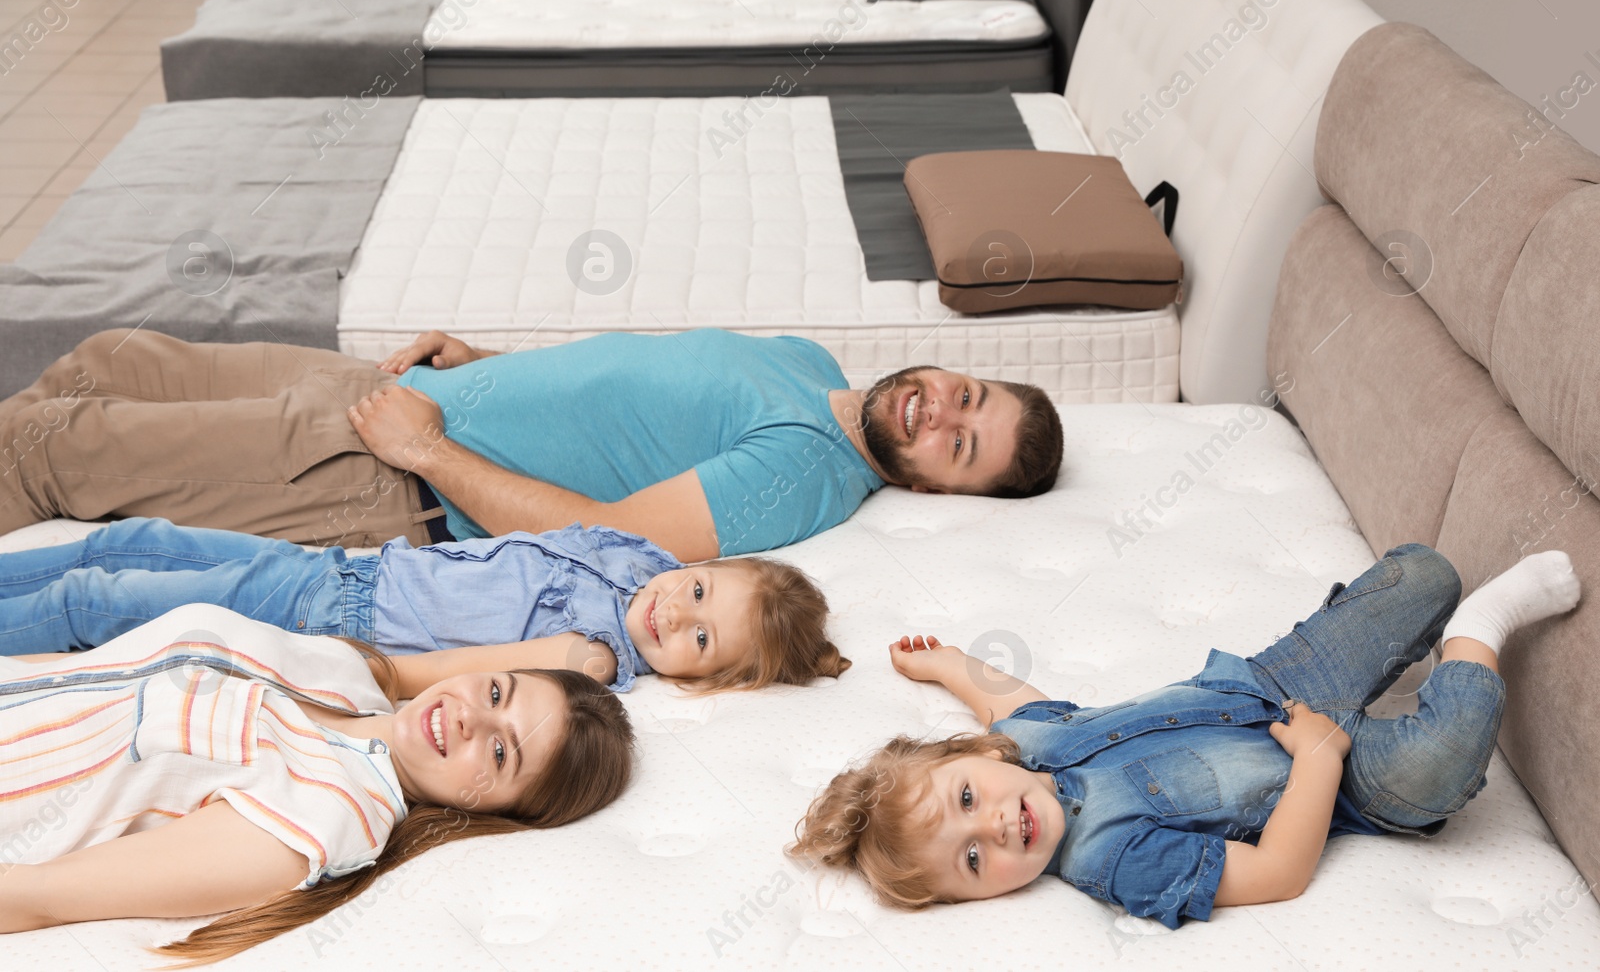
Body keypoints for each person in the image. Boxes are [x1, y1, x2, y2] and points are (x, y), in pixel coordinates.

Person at [789, 547, 1580, 923]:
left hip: (1274, 679)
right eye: (971, 859)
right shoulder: (1110, 861)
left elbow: (1011, 706)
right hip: (1340, 779)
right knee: (1432, 767)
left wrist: (955, 667)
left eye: (967, 798)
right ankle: (1482, 634)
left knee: (1426, 575)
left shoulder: (1030, 747)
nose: (994, 826)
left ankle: (1425, 633)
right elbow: (1276, 872)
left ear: (976, 758)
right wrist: (1317, 759)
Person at [0, 327, 1065, 561]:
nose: (940, 412)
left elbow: (603, 537)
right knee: (108, 360)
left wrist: (430, 452)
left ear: (939, 489)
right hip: (396, 394)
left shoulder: (804, 473)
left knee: (50, 446)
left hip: (378, 473)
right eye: (963, 395)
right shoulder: (808, 361)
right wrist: (488, 362)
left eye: (961, 445)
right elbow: (628, 387)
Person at [0, 602, 634, 964]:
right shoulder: (350, 676)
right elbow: (88, 669)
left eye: (500, 753)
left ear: (497, 810)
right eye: (497, 690)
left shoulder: (327, 813)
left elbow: (44, 894)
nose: (471, 716)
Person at [0, 518, 846, 695]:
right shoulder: (646, 560)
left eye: (698, 641)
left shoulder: (594, 658)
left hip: (327, 616)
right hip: (340, 566)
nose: (675, 614)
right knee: (124, 542)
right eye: (699, 592)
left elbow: (481, 674)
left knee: (99, 601)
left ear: (698, 677)